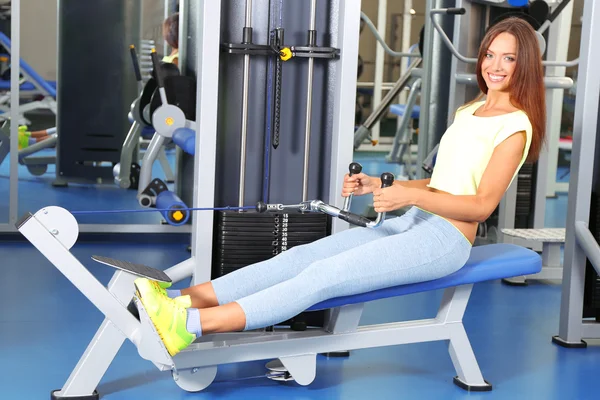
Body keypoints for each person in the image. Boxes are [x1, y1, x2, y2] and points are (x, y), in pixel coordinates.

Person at [134, 16, 546, 357]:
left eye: (508, 58)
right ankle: (180, 301)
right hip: (415, 221)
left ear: (523, 64)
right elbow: (443, 182)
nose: (495, 65)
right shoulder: (472, 108)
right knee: (296, 260)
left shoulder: (514, 127)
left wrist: (409, 196)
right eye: (491, 54)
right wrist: (383, 185)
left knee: (321, 277)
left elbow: (481, 206)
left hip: (445, 239)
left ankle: (186, 327)